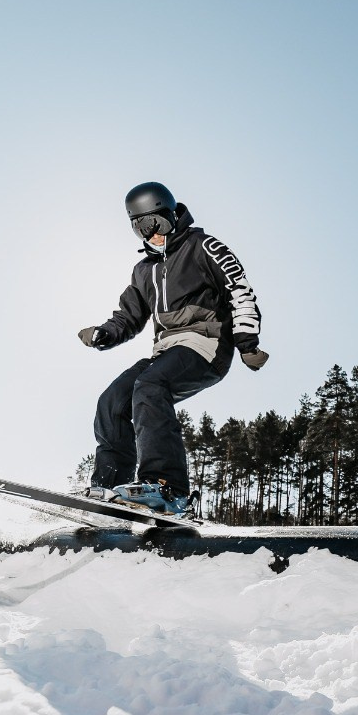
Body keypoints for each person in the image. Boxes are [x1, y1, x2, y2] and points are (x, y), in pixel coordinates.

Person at [80, 182, 268, 515]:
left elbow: (240, 291)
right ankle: (109, 489)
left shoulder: (202, 246)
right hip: (166, 351)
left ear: (173, 215)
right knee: (112, 402)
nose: (150, 234)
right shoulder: (143, 271)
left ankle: (168, 488)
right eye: (140, 227)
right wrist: (105, 334)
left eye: (156, 224)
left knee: (151, 386)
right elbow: (128, 316)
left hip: (207, 342)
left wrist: (247, 342)